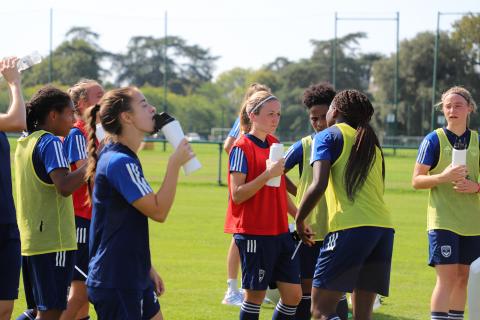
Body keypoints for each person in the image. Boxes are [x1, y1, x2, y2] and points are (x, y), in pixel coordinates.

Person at [85, 87, 193, 319]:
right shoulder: (120, 161)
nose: (152, 108)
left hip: (132, 274)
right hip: (116, 278)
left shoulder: (124, 157)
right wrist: (174, 164)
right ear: (127, 117)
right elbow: (158, 210)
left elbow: (123, 223)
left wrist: (147, 268)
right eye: (143, 104)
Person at [295, 89, 394, 320]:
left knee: (320, 312)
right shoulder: (372, 145)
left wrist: (299, 220)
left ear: (335, 111)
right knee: (362, 316)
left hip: (350, 228)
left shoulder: (327, 136)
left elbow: (318, 184)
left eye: (328, 108)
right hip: (382, 230)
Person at [224, 90, 302, 320]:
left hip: (279, 231)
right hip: (254, 232)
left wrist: (299, 216)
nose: (275, 119)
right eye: (270, 114)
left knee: (293, 296)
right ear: (253, 115)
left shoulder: (275, 143)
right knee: (254, 297)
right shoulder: (240, 148)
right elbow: (237, 194)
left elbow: (279, 192)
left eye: (278, 114)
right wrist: (267, 174)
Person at [14, 86, 86, 320]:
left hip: (31, 240)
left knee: (38, 310)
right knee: (52, 312)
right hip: (54, 242)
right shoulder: (51, 142)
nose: (74, 119)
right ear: (53, 115)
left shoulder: (25, 143)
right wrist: (93, 162)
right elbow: (64, 186)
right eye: (70, 113)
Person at [412, 86, 480, 320]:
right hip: (443, 221)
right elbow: (416, 180)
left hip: (472, 224)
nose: (452, 110)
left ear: (469, 108)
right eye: (448, 106)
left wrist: (476, 187)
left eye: (458, 105)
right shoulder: (433, 140)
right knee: (447, 277)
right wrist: (443, 177)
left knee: (463, 277)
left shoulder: (478, 141)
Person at [284, 83, 348, 320]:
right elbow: (277, 172)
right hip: (309, 229)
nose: (320, 123)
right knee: (306, 288)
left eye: (324, 117)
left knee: (336, 289)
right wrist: (300, 193)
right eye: (314, 118)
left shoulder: (345, 142)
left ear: (335, 112)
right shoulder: (305, 145)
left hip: (339, 228)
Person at [222, 83, 272, 306]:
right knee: (239, 236)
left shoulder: (267, 127)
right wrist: (244, 165)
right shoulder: (244, 127)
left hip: (261, 186)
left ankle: (248, 288)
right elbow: (229, 146)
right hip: (245, 184)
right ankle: (233, 288)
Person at [60, 79, 104, 320]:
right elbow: (87, 176)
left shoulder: (94, 134)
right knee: (80, 294)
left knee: (83, 303)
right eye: (99, 95)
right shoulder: (78, 133)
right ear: (82, 103)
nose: (105, 99)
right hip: (81, 222)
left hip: (92, 220)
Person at [0, 57, 25, 320]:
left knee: (5, 308)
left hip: (7, 221)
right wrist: (14, 83)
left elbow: (15, 117)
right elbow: (17, 120)